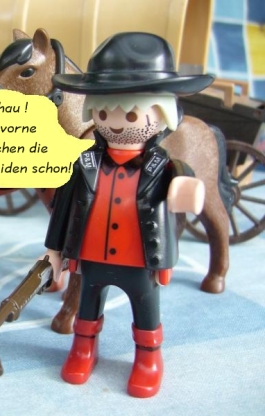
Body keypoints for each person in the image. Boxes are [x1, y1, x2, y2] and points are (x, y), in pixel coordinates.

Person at [44, 32, 211, 398]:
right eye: (104, 113)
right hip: (91, 257)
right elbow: (63, 208)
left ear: (162, 114)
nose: (117, 123)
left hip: (140, 259)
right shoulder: (84, 163)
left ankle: (148, 358)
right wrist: (54, 251)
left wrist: (187, 192)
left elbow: (184, 191)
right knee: (87, 306)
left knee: (145, 309)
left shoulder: (163, 167)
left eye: (132, 114)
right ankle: (83, 349)